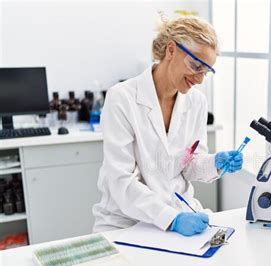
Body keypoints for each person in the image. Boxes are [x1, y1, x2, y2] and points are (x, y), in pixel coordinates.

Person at [92, 15, 243, 236]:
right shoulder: (122, 98)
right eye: (195, 66)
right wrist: (171, 219)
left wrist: (215, 163)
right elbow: (120, 179)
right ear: (171, 51)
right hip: (126, 221)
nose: (200, 79)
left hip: (180, 211)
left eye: (206, 71)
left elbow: (189, 164)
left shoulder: (197, 102)